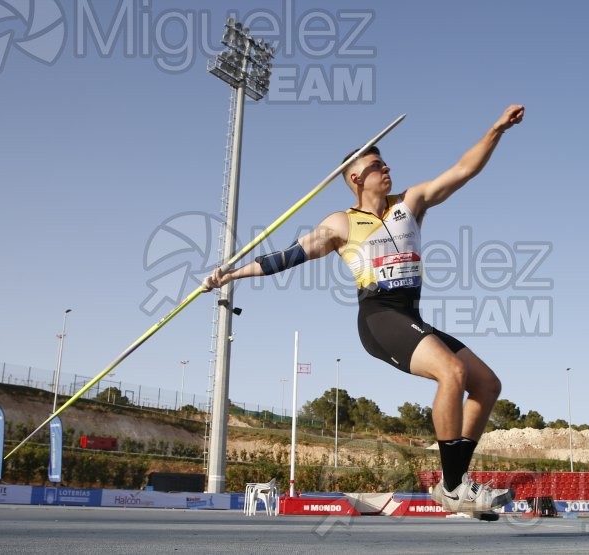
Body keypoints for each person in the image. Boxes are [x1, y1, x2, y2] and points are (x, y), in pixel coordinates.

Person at [205, 104, 525, 513]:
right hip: (378, 317)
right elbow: (284, 258)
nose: (386, 168)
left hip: (411, 315)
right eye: (377, 165)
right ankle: (453, 484)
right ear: (356, 178)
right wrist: (230, 275)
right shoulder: (340, 224)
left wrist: (496, 129)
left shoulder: (411, 201)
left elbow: (463, 169)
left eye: (386, 162)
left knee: (486, 384)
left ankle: (453, 484)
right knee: (453, 372)